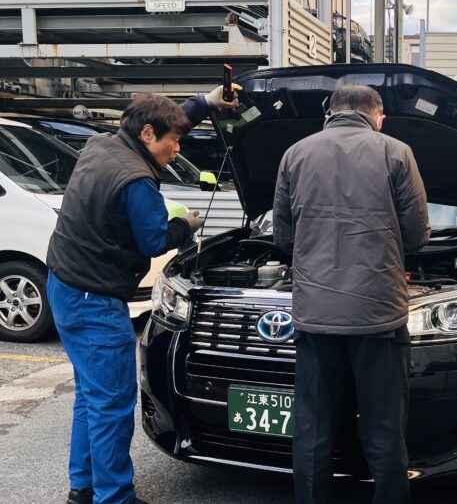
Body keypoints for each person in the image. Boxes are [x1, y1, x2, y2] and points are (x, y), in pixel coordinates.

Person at [47, 85, 237, 504]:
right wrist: (186, 223)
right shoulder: (137, 181)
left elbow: (166, 120)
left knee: (92, 396)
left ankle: (85, 487)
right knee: (113, 404)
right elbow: (154, 240)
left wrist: (206, 103)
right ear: (148, 135)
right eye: (175, 141)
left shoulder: (103, 145)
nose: (178, 148)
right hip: (94, 301)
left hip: (64, 286)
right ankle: (114, 497)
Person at [273, 85, 429, 504]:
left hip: (315, 315)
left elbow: (283, 236)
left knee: (313, 429)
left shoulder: (295, 153)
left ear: (329, 114)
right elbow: (415, 235)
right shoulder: (396, 152)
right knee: (382, 428)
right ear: (378, 118)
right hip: (377, 315)